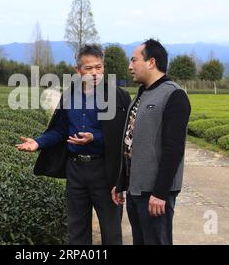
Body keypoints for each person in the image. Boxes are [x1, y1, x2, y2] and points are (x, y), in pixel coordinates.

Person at [16, 44, 131, 245]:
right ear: (78, 71)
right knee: (77, 232)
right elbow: (60, 130)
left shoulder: (117, 96)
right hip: (76, 170)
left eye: (99, 67)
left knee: (111, 232)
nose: (95, 73)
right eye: (89, 68)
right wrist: (38, 143)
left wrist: (94, 137)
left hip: (104, 171)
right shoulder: (70, 95)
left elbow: (121, 136)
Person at [111, 39, 191, 245]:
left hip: (154, 194)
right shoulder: (142, 94)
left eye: (134, 60)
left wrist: (160, 192)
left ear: (151, 62)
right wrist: (121, 182)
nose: (130, 66)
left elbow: (174, 150)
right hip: (136, 190)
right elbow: (130, 142)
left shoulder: (174, 95)